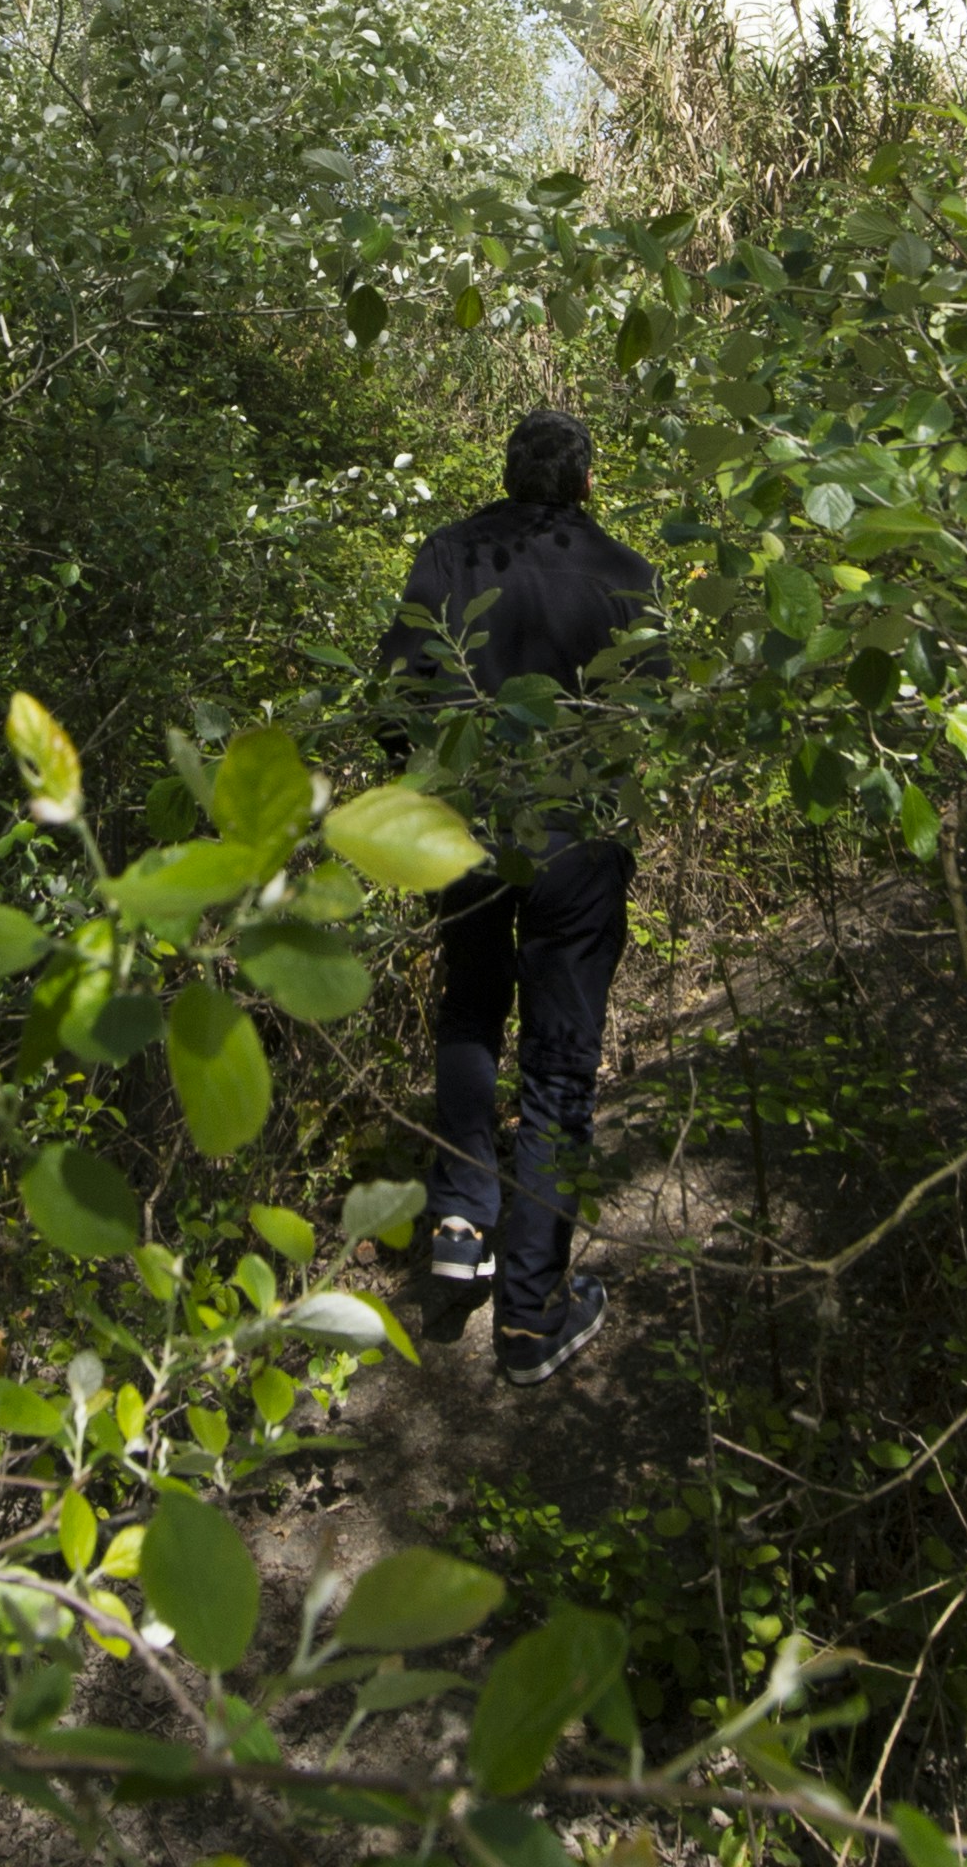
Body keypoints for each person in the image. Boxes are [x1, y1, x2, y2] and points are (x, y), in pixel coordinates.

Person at [376, 406, 655, 1387]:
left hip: (463, 829)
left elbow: (394, 693)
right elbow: (648, 713)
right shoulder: (626, 573)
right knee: (558, 1066)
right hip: (576, 841)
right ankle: (530, 1312)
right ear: (584, 481)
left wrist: (421, 790)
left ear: (506, 472)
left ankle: (459, 1223)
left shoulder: (450, 552)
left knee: (467, 1007)